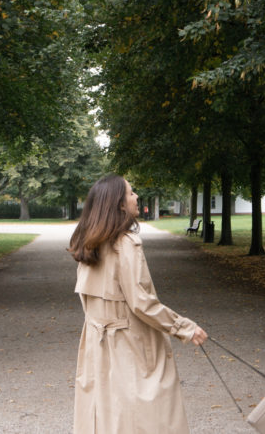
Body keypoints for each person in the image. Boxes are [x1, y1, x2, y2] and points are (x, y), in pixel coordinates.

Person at [69, 175, 208, 434]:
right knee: (143, 416)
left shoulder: (87, 244)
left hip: (96, 346)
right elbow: (141, 302)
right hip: (127, 344)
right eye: (131, 193)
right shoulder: (126, 244)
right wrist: (184, 328)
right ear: (119, 204)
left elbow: (87, 301)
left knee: (104, 416)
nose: (135, 197)